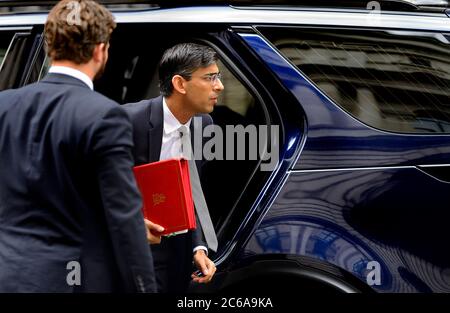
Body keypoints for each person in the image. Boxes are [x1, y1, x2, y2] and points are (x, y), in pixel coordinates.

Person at [0, 0, 155, 292]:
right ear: (100, 50)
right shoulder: (105, 115)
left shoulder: (4, 105)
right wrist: (144, 287)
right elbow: (123, 216)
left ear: (51, 47)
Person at [124, 43, 224, 293]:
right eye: (210, 78)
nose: (219, 86)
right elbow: (97, 189)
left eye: (218, 77)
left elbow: (194, 192)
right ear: (180, 84)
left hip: (179, 248)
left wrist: (198, 247)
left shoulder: (204, 124)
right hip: (133, 245)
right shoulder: (128, 121)